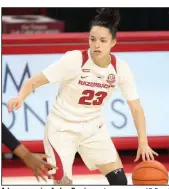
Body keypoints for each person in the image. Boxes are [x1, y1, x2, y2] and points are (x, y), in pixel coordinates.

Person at [7, 8, 158, 185]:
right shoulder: (74, 60)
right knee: (64, 183)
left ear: (113, 43)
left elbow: (136, 107)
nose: (96, 45)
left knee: (119, 180)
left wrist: (143, 141)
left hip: (93, 128)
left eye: (103, 41)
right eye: (92, 39)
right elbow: (34, 81)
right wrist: (20, 97)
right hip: (61, 129)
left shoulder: (120, 69)